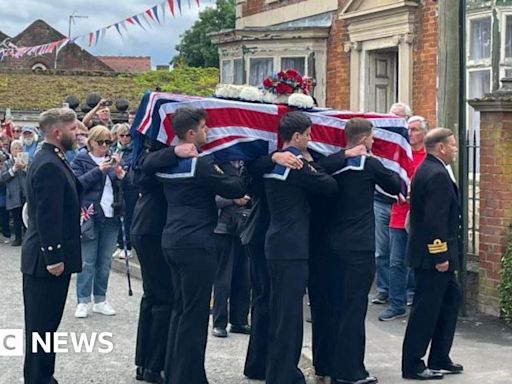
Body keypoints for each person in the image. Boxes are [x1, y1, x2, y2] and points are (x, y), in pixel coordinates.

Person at [152, 107, 245, 384]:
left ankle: (174, 371)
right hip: (197, 244)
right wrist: (228, 157)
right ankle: (189, 377)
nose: (209, 132)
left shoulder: (166, 162)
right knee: (193, 315)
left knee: (180, 310)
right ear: (191, 133)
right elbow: (235, 188)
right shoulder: (201, 165)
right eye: (205, 128)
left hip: (172, 240)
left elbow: (147, 163)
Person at [264, 111, 338, 384]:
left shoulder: (272, 163)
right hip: (291, 247)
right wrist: (310, 164)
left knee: (282, 312)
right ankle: (284, 375)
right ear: (296, 137)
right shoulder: (294, 165)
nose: (311, 138)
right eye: (308, 135)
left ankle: (280, 371)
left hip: (278, 244)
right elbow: (329, 186)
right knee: (289, 316)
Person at [328, 118, 402, 384]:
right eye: (371, 138)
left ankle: (333, 365)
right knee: (355, 308)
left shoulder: (332, 163)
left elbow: (320, 167)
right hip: (359, 246)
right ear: (363, 140)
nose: (373, 142)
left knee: (337, 307)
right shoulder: (369, 164)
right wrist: (378, 159)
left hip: (334, 244)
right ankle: (350, 371)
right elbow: (395, 184)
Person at [21, 107, 81, 384]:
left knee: (47, 325)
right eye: (73, 129)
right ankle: (38, 378)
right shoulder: (48, 164)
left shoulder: (53, 158)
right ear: (57, 132)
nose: (77, 133)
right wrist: (54, 257)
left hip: (49, 258)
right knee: (41, 326)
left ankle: (44, 375)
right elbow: (48, 215)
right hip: (46, 260)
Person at [131, 138, 198, 383]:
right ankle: (154, 365)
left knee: (153, 297)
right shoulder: (161, 152)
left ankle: (145, 362)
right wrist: (175, 151)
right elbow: (141, 167)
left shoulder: (162, 152)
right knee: (163, 298)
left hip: (148, 227)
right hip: (154, 228)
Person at [401, 128, 463, 380]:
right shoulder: (435, 173)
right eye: (453, 144)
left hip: (434, 254)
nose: (456, 148)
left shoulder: (430, 168)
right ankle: (413, 364)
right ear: (441, 148)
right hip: (433, 257)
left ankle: (439, 356)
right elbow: (434, 220)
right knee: (425, 310)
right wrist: (440, 256)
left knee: (451, 299)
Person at [71, 125, 125, 318]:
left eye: (107, 142)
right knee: (87, 261)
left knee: (105, 260)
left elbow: (124, 186)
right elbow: (76, 185)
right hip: (90, 215)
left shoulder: (113, 159)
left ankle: (100, 299)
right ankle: (83, 300)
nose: (104, 146)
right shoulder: (81, 159)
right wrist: (98, 171)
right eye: (100, 142)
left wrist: (120, 173)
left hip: (111, 214)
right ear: (90, 142)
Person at [378, 115, 428, 321]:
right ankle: (396, 303)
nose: (410, 133)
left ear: (424, 133)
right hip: (398, 215)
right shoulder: (399, 156)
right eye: (409, 129)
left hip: (420, 218)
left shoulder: (428, 158)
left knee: (420, 262)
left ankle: (419, 301)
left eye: (415, 129)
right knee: (396, 262)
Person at [372, 102, 412, 305]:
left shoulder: (407, 146)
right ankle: (384, 288)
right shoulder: (382, 142)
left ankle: (405, 291)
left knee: (403, 252)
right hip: (380, 200)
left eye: (398, 117)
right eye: (391, 116)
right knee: (381, 250)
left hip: (402, 205)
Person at [211, 161, 251, 338]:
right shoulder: (216, 165)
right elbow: (211, 197)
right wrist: (233, 199)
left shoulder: (246, 165)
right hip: (223, 227)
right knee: (223, 277)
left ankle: (239, 319)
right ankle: (219, 321)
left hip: (243, 226)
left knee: (243, 276)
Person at [112, 123, 137, 259]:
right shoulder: (113, 149)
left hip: (130, 186)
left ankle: (128, 245)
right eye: (122, 135)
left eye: (128, 135)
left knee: (128, 215)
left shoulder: (133, 151)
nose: (125, 138)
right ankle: (120, 243)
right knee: (118, 213)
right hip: (116, 186)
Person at [0, 140, 28, 246]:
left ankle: (26, 237)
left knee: (25, 216)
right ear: (11, 151)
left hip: (24, 192)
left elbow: (31, 174)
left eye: (19, 148)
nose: (17, 151)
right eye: (15, 149)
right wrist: (14, 169)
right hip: (13, 193)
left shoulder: (26, 160)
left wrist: (24, 167)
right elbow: (3, 178)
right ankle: (17, 238)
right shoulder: (7, 163)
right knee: (16, 216)